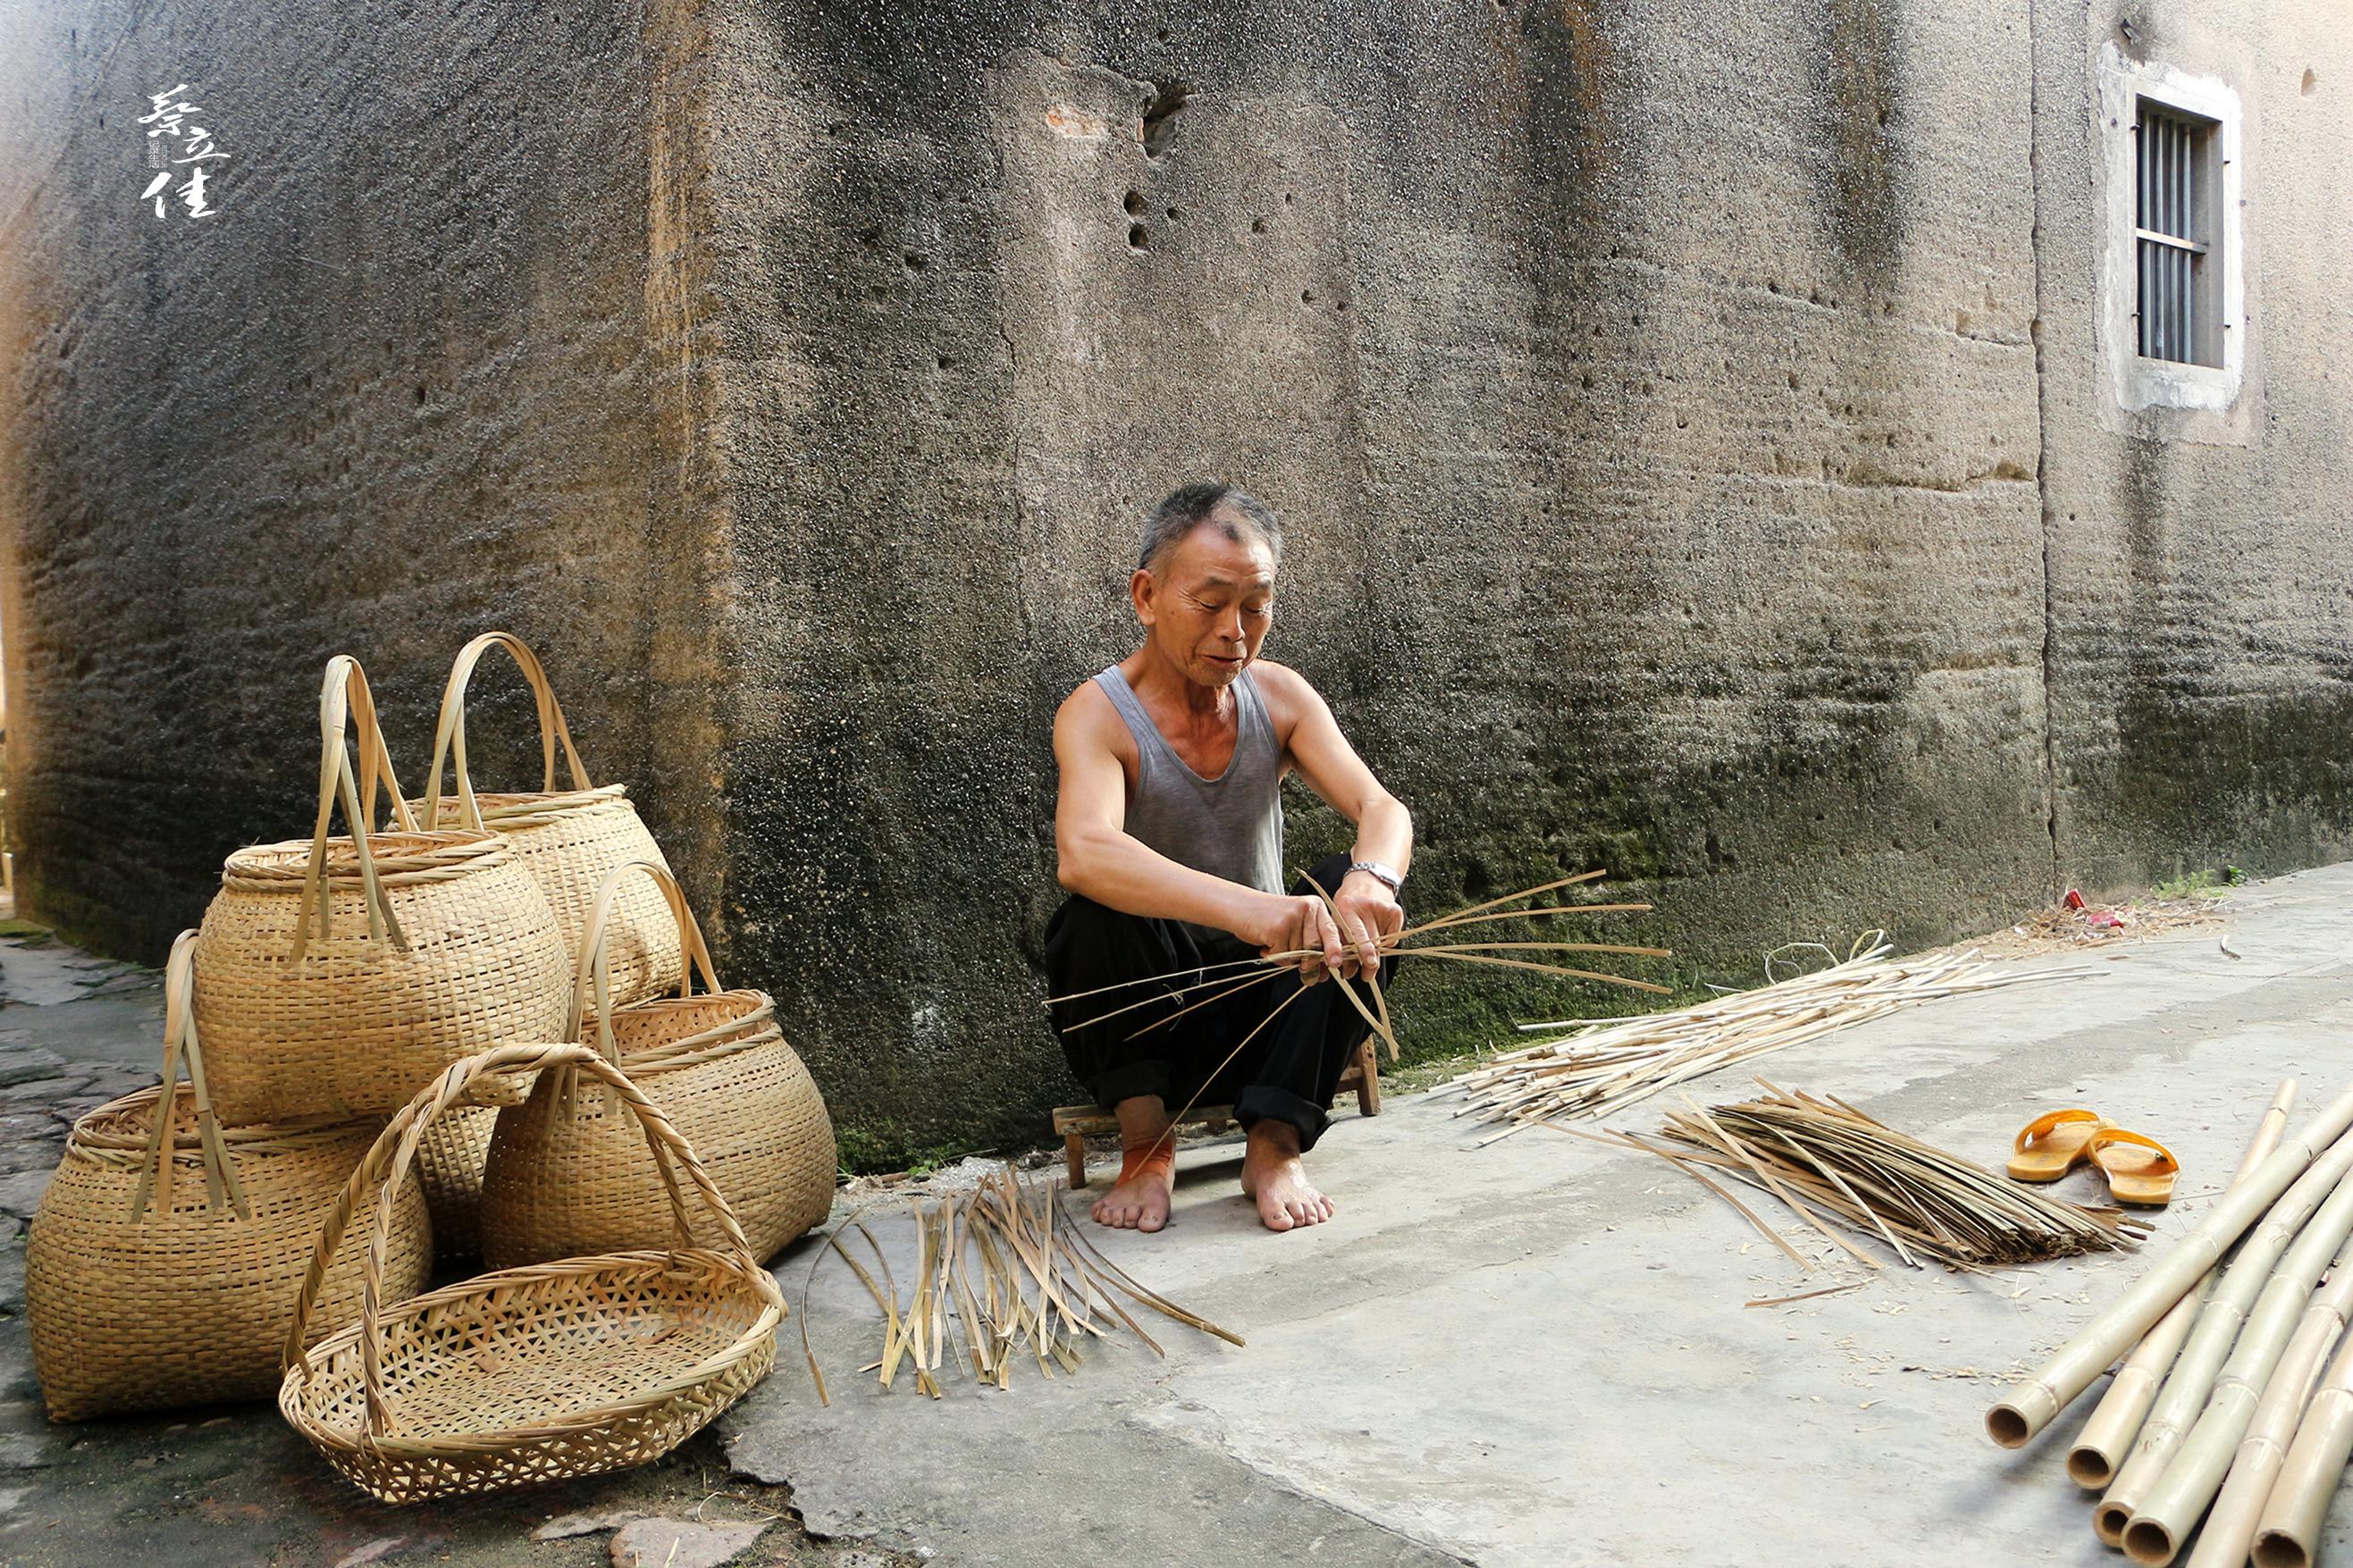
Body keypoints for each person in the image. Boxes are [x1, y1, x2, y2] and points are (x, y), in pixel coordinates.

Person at [1046, 482, 1414, 1234]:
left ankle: (1273, 1142)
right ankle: (1148, 1144)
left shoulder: (1278, 696)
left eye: (1256, 605)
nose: (1235, 631)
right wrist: (1255, 909)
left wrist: (1370, 881)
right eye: (1210, 603)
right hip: (1162, 1015)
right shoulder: (1096, 712)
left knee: (1358, 911)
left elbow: (1383, 811)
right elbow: (1084, 851)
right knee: (1088, 920)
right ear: (1146, 596)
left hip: (1271, 1007)